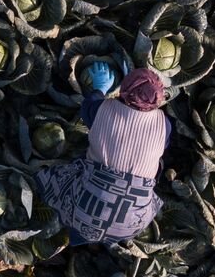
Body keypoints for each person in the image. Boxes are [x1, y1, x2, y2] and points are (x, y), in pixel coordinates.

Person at [36, 65, 171, 245]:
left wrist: (100, 88)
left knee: (59, 179)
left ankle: (76, 230)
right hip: (133, 224)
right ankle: (93, 236)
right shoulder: (165, 124)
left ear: (125, 90)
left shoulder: (103, 109)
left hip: (86, 209)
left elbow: (87, 106)